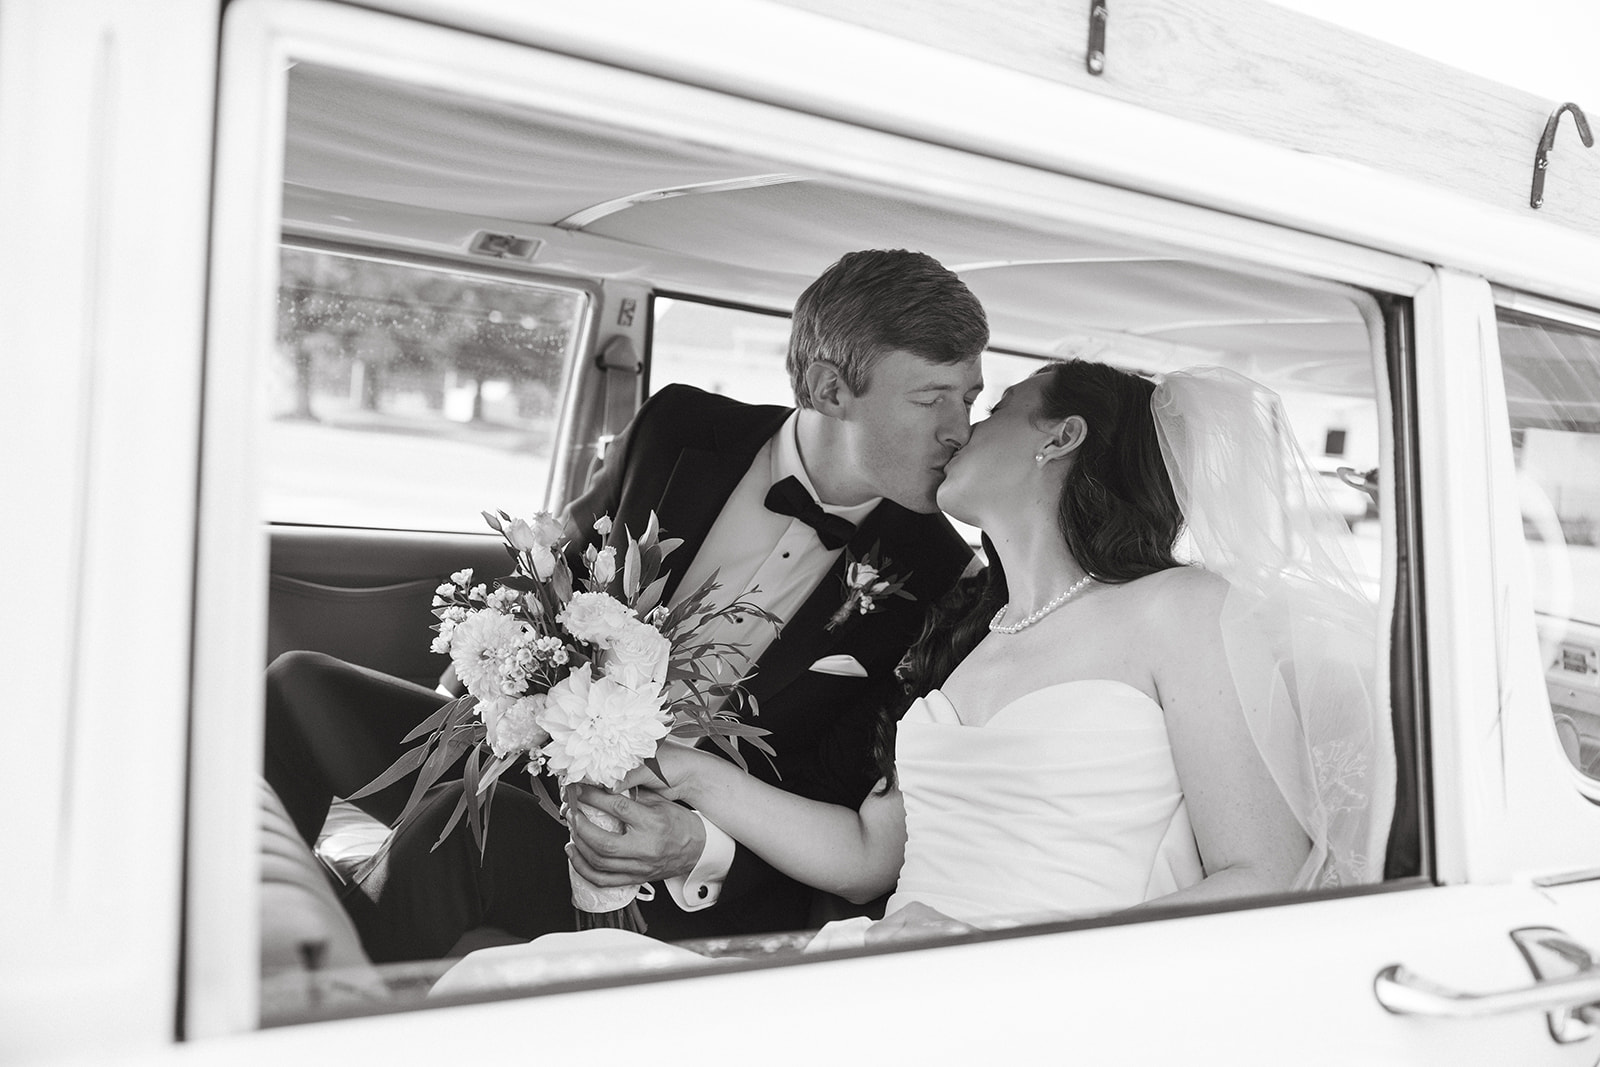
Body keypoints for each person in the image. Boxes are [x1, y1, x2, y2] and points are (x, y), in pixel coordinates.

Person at [264, 248, 989, 957]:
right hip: (540, 752)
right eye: (932, 399)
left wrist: (695, 846)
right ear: (832, 390)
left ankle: (322, 1007)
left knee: (440, 844)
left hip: (667, 855)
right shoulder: (678, 428)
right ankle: (231, 937)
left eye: (970, 398)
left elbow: (853, 818)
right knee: (293, 686)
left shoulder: (940, 580)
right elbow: (555, 568)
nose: (960, 430)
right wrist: (491, 676)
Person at [558, 359, 1394, 945]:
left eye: (994, 411)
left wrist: (1012, 953)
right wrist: (688, 771)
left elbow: (1264, 875)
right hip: (898, 961)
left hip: (1039, 993)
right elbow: (865, 855)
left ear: (1058, 437)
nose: (961, 431)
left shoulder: (1181, 610)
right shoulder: (965, 630)